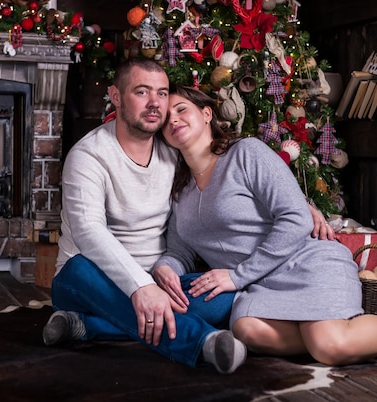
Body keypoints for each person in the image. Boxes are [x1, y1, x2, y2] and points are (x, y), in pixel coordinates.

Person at [42, 57, 331, 374]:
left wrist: (302, 203)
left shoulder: (172, 151)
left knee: (222, 295)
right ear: (115, 96)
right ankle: (202, 342)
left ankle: (88, 327)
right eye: (141, 92)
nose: (155, 104)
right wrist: (141, 288)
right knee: (79, 268)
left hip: (161, 283)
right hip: (91, 281)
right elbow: (88, 231)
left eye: (162, 93)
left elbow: (227, 164)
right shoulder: (88, 156)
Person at [152, 84, 377, 367]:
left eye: (182, 110)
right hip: (261, 283)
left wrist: (237, 276)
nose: (174, 120)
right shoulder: (181, 191)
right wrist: (166, 267)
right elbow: (179, 249)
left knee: (329, 346)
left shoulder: (246, 153)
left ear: (206, 114)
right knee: (247, 329)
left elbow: (297, 218)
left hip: (305, 262)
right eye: (166, 119)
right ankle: (343, 332)